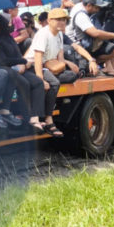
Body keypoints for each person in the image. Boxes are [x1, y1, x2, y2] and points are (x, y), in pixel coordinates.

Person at [24, 8, 78, 137]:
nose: (62, 22)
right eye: (58, 19)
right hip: (33, 65)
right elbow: (37, 58)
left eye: (64, 20)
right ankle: (48, 120)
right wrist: (41, 79)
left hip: (48, 65)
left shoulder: (59, 34)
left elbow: (60, 57)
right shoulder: (43, 34)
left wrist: (66, 65)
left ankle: (46, 118)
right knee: (53, 82)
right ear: (49, 20)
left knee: (72, 75)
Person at [66, 0, 114, 76]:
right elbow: (94, 33)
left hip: (82, 43)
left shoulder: (79, 5)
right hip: (77, 47)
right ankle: (89, 65)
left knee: (106, 39)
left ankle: (102, 66)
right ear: (89, 5)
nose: (98, 10)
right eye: (97, 7)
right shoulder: (81, 15)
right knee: (111, 44)